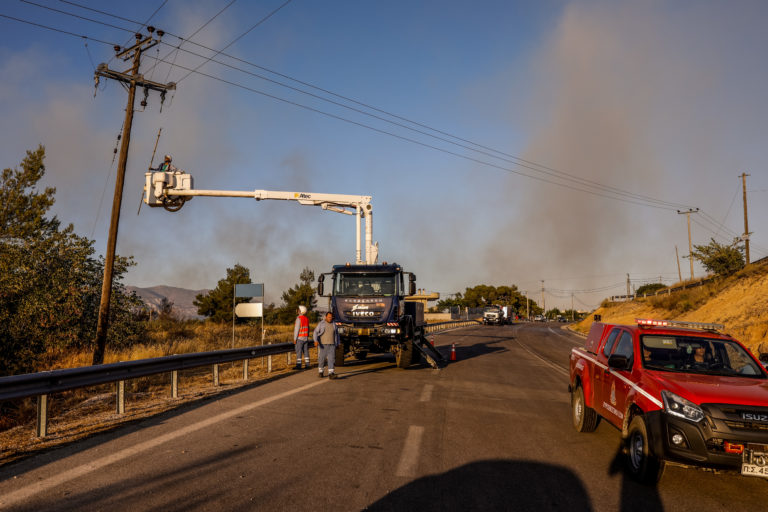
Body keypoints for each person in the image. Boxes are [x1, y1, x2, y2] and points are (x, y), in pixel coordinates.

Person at [313, 311, 340, 379]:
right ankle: (321, 371)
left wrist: (338, 343)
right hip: (323, 345)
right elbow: (315, 332)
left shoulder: (334, 324)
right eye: (329, 317)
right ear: (326, 317)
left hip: (332, 344)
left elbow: (337, 334)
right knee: (322, 359)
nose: (330, 318)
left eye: (331, 317)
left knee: (331, 359)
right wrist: (315, 341)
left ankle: (331, 373)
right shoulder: (321, 324)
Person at [293, 305, 311, 370]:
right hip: (305, 338)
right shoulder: (306, 318)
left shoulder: (299, 318)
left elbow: (296, 329)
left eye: (298, 310)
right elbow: (308, 329)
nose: (297, 311)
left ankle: (298, 365)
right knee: (306, 351)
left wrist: (295, 339)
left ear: (301, 311)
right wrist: (307, 336)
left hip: (300, 338)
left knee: (299, 352)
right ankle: (307, 364)